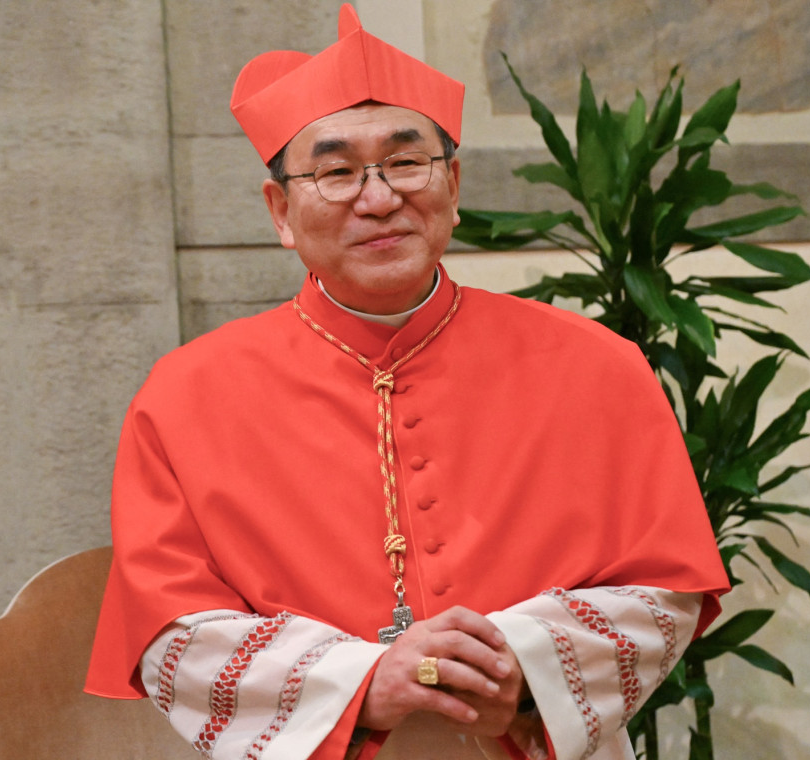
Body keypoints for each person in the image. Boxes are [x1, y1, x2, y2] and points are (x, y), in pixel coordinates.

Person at [85, 6, 729, 759]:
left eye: (405, 162)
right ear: (281, 211)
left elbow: (665, 589)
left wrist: (521, 666)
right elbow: (172, 635)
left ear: (451, 185)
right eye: (335, 172)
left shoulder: (599, 367)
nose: (379, 198)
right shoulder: (183, 397)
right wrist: (363, 682)